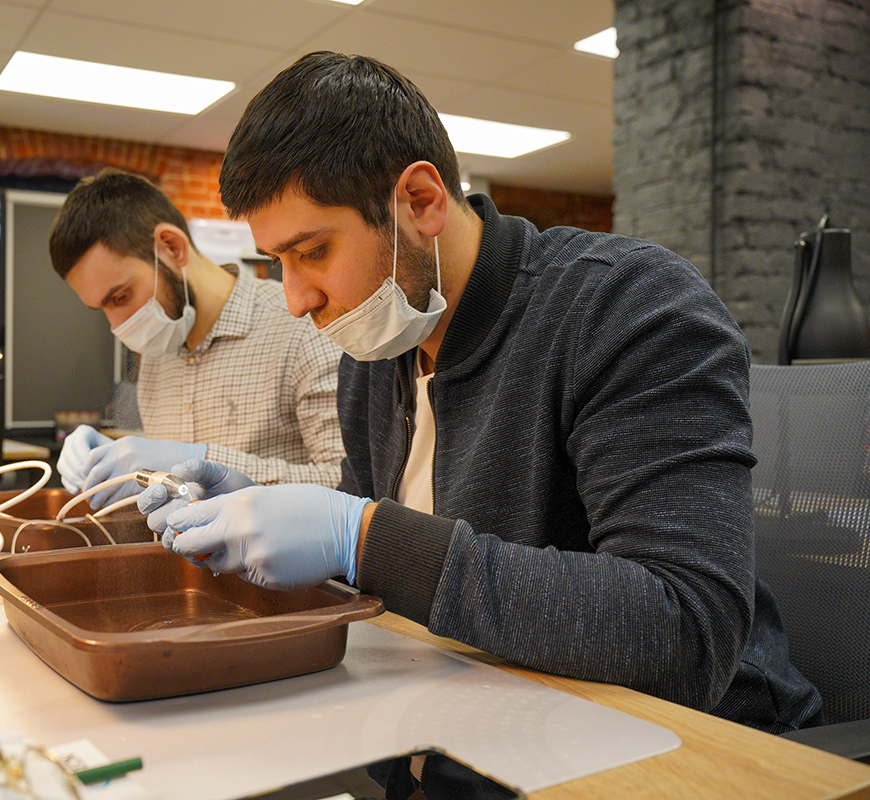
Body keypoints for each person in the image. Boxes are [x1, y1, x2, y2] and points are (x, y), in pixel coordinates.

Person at [138, 51, 822, 744]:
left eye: (312, 252)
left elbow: (686, 635)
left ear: (421, 201)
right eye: (277, 263)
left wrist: (359, 536)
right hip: (471, 721)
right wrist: (255, 515)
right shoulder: (374, 358)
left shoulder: (627, 308)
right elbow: (382, 577)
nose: (295, 300)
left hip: (683, 747)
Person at [49, 169, 345, 508]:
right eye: (101, 308)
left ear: (172, 247)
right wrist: (117, 468)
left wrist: (203, 462)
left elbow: (348, 488)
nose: (117, 324)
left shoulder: (303, 328)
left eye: (121, 297)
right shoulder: (158, 351)